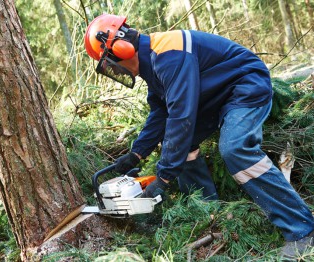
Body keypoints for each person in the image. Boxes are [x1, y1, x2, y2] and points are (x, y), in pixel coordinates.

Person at [84, 14, 314, 258]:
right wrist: (136, 153)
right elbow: (160, 113)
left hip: (245, 86)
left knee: (235, 149)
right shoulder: (152, 62)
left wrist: (163, 179)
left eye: (110, 63)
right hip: (215, 96)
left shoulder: (169, 55)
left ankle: (302, 230)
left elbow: (181, 117)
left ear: (121, 47)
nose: (113, 69)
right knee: (184, 146)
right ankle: (208, 213)